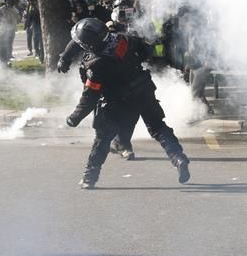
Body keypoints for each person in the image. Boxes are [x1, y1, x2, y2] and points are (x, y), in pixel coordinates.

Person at [64, 18, 191, 189]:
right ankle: (178, 157)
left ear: (89, 45)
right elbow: (145, 51)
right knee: (158, 128)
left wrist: (74, 118)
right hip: (143, 91)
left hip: (118, 102)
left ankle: (89, 177)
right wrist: (64, 57)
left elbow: (89, 98)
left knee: (102, 139)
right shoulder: (123, 39)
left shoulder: (96, 65)